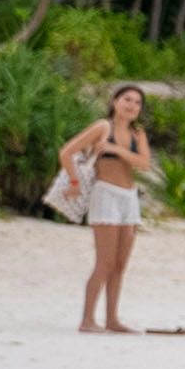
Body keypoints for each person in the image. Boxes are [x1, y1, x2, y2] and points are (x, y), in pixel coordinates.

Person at [63, 84, 157, 333]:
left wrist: (116, 149)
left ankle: (112, 318)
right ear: (115, 101)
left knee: (120, 264)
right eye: (127, 99)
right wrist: (74, 182)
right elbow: (67, 152)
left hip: (129, 197)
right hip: (105, 193)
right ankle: (87, 319)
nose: (131, 106)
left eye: (137, 102)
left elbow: (144, 164)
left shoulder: (138, 134)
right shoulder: (102, 127)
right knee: (104, 262)